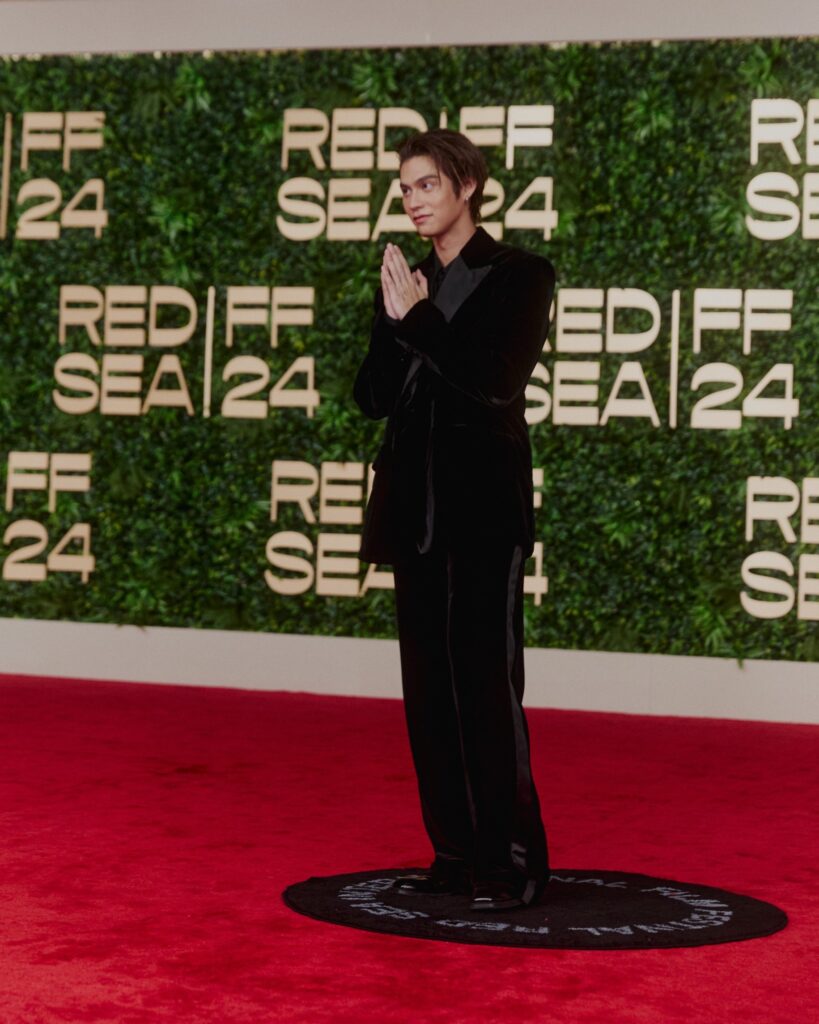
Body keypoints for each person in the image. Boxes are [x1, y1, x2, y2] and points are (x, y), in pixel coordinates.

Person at [353, 128, 556, 911]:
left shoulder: (520, 275)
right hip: (413, 511)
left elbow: (495, 381)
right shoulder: (407, 281)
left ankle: (508, 862)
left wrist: (420, 323)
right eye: (405, 188)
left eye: (427, 185)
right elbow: (371, 397)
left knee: (484, 689)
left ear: (467, 185)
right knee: (428, 695)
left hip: (482, 514)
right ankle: (453, 854)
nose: (412, 200)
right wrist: (393, 321)